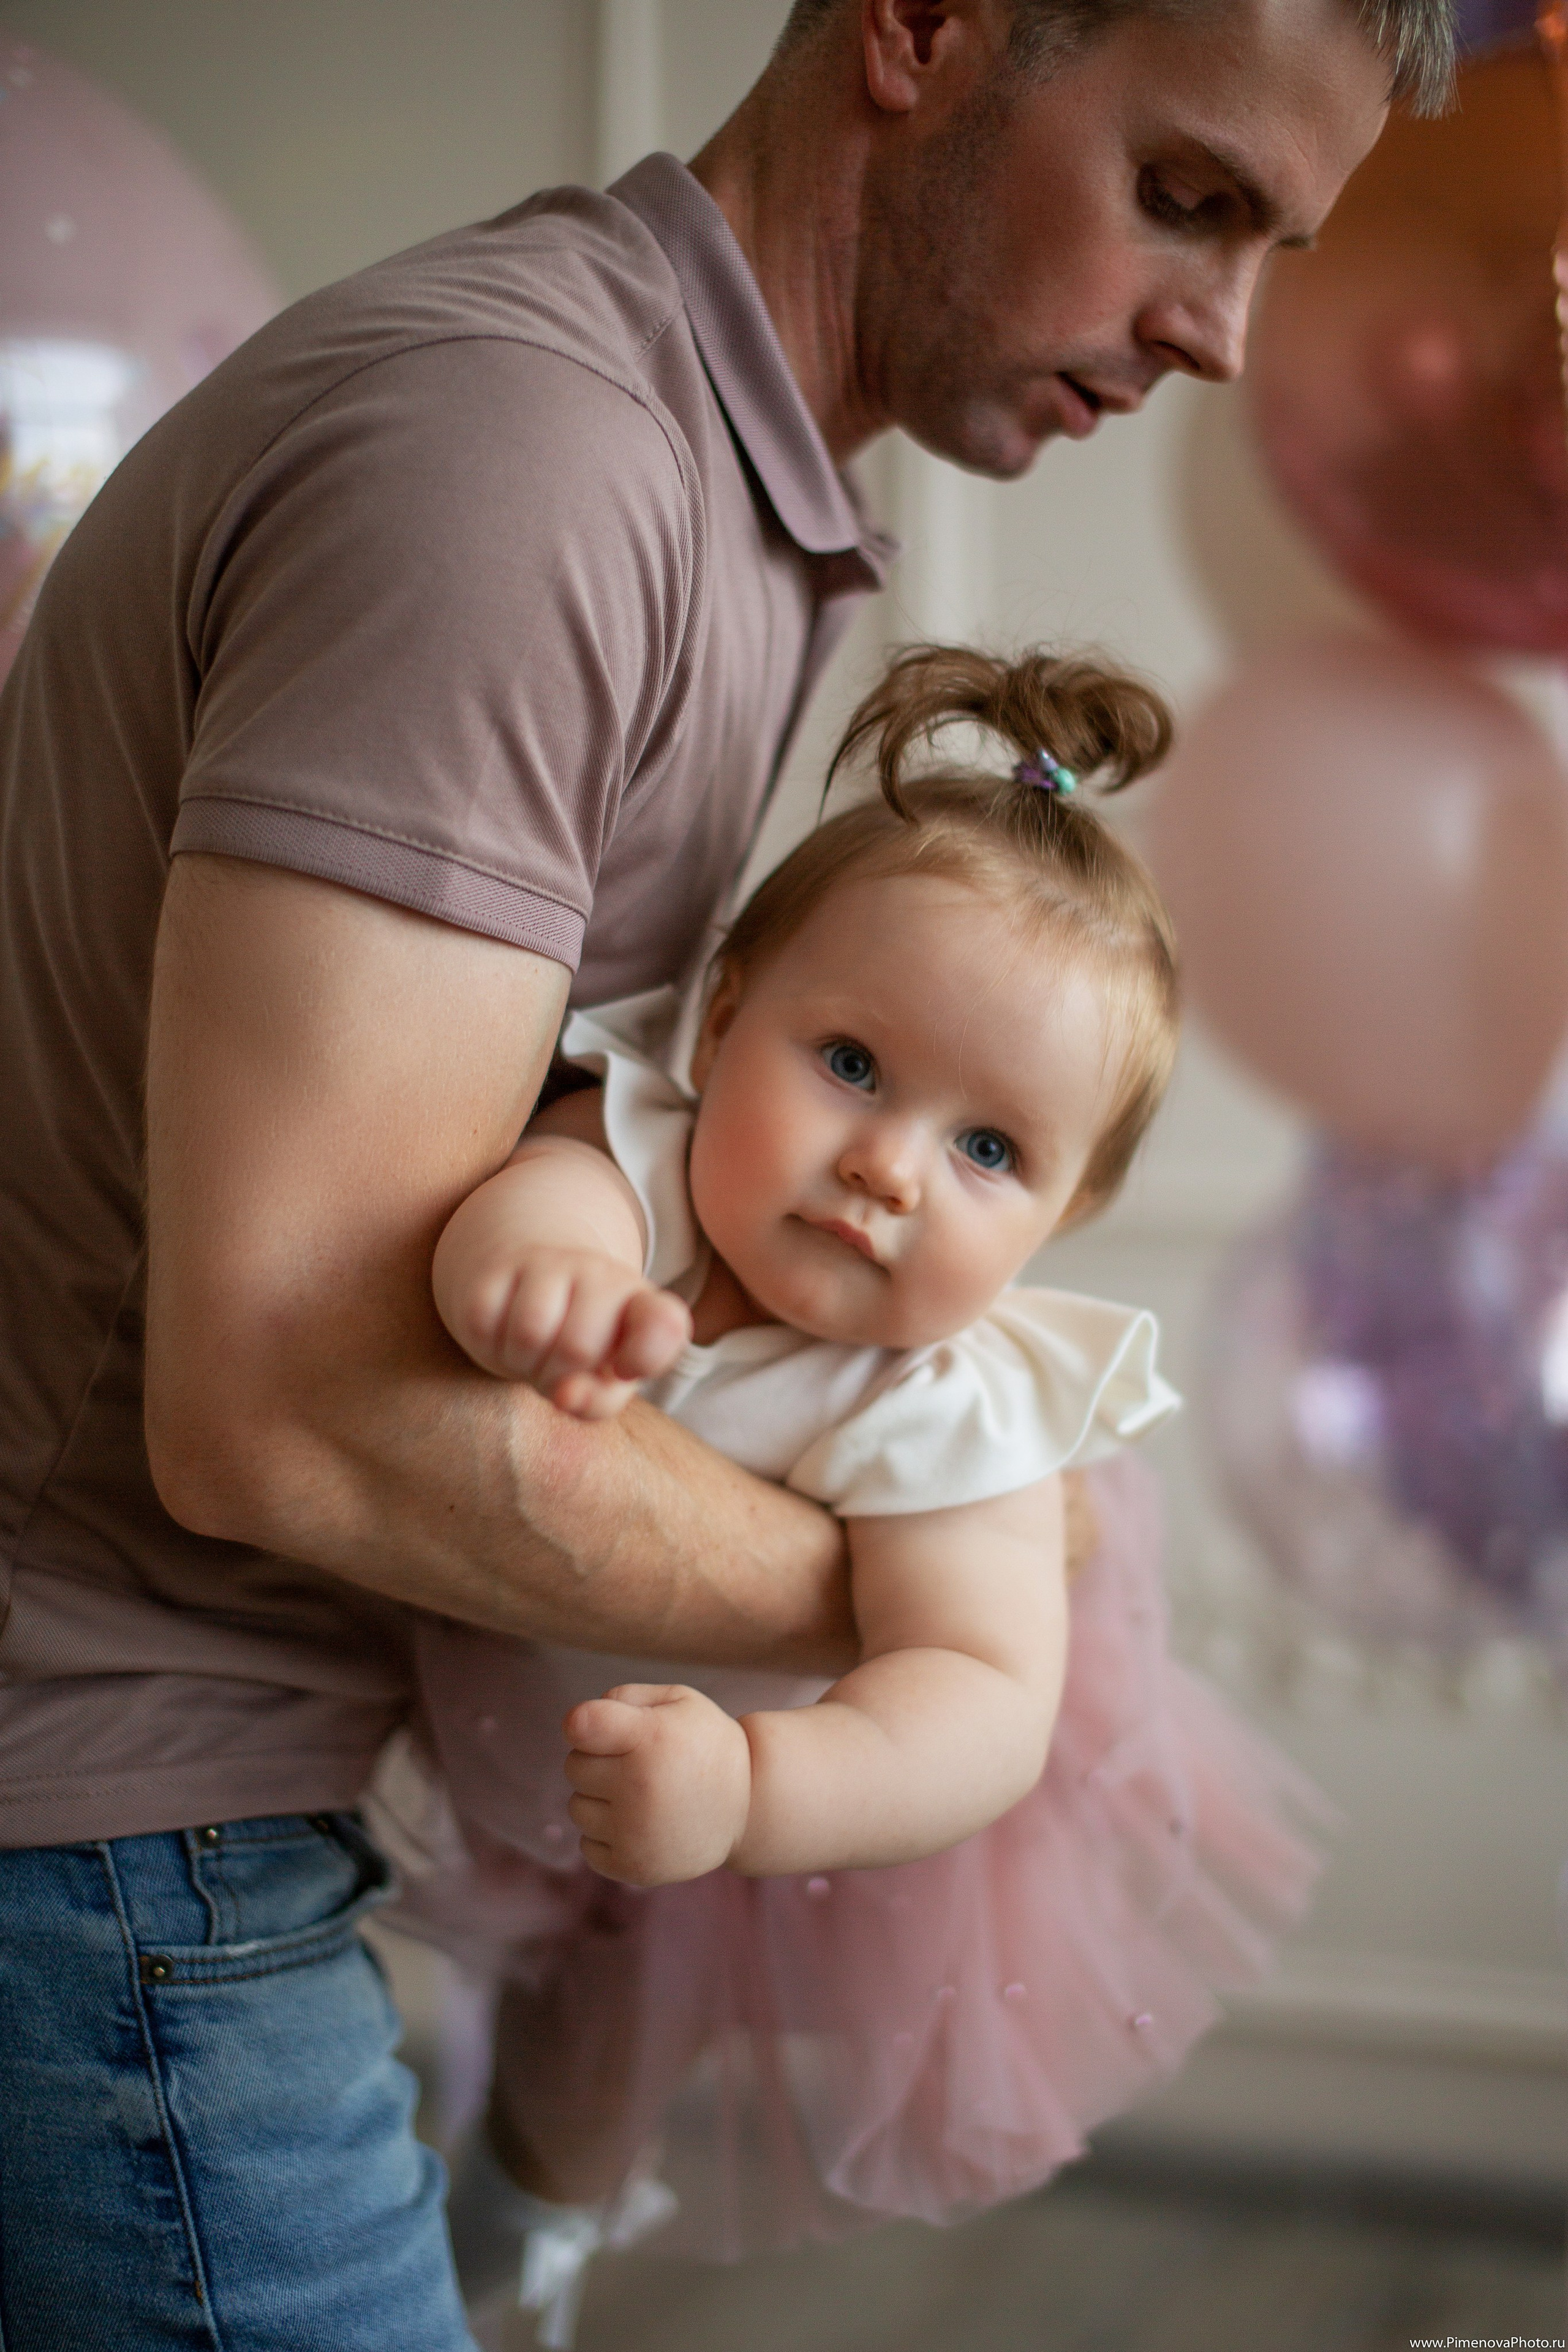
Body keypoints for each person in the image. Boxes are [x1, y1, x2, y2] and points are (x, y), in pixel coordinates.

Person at [0, 1, 1445, 2344]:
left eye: (1274, 246)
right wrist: (945, 1590)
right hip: (100, 1832)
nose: (1224, 330)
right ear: (926, 28)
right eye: (1187, 198)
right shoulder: (532, 464)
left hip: (217, 1805)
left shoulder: (702, 488)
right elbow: (277, 1399)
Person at [387, 645, 1323, 2343]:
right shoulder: (652, 1151)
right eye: (855, 1066)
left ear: (1063, 1220)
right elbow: (541, 1198)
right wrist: (541, 1279)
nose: (891, 1167)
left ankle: (524, 2242)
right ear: (728, 1009)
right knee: (473, 1973)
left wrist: (750, 1784)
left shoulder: (943, 1405)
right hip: (484, 1697)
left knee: (601, 2031)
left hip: (783, 1793)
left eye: (991, 1153)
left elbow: (975, 1699)